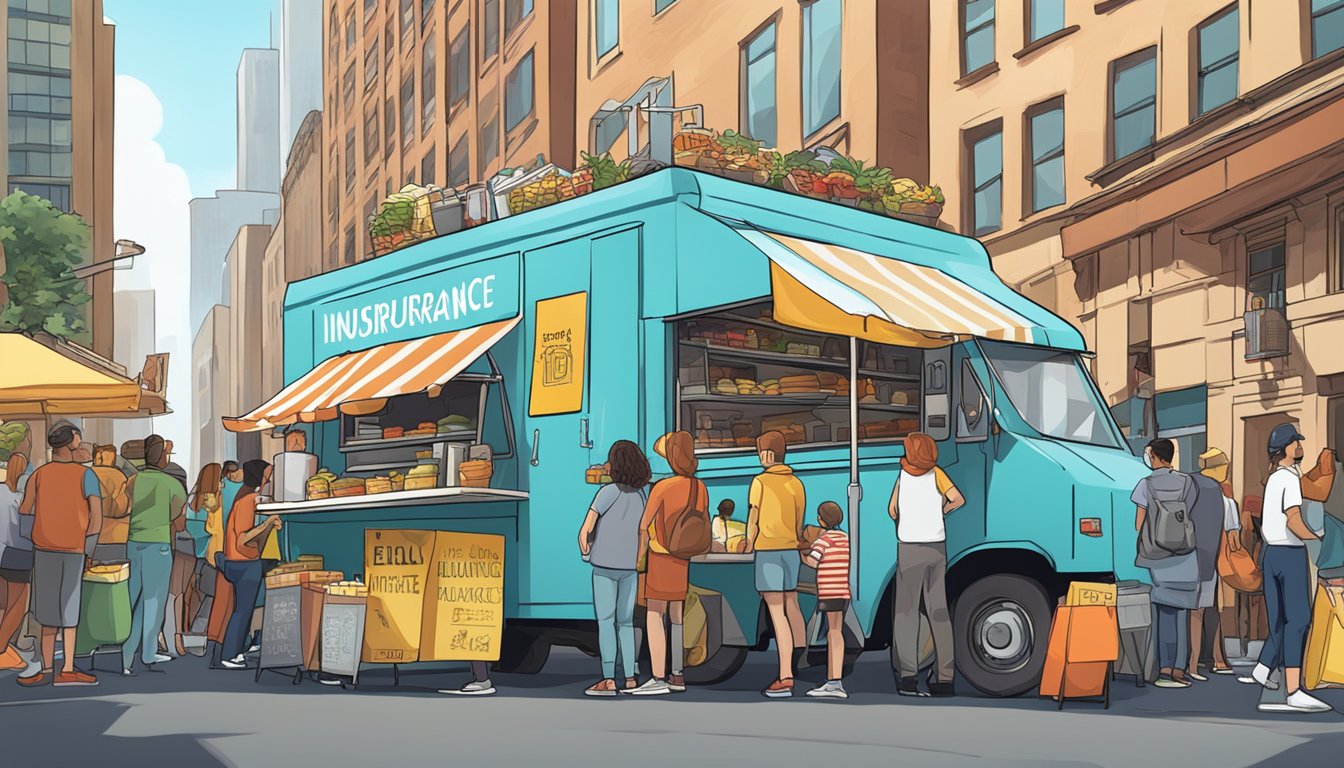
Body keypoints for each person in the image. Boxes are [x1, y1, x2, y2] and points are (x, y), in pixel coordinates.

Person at [1244, 424, 1331, 713]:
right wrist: (1316, 535)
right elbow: (1292, 519)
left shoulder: (1275, 479)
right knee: (1299, 620)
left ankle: (1262, 670)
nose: (1300, 446)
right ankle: (1294, 691)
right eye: (1296, 442)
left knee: (1280, 620)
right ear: (1287, 449)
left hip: (1271, 554)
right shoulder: (1290, 479)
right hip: (1290, 553)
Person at [17, 423, 101, 687]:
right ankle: (66, 668)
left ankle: (45, 668)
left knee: (46, 613)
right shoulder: (86, 476)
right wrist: (89, 549)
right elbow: (96, 518)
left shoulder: (39, 475)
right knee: (69, 612)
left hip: (43, 548)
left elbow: (25, 511)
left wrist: (35, 536)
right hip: (75, 549)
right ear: (72, 442)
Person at [629, 431, 707, 696]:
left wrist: (639, 558)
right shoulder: (699, 487)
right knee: (677, 618)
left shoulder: (662, 487)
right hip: (682, 558)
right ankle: (677, 675)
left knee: (654, 616)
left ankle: (658, 677)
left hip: (660, 556)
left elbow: (644, 525)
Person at [888, 432, 964, 697]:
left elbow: (892, 510)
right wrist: (940, 510)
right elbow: (959, 499)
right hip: (936, 547)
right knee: (939, 612)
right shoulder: (938, 474)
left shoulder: (903, 476)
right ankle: (945, 678)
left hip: (909, 547)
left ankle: (908, 677)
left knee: (906, 614)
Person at [577, 440, 649, 696]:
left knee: (606, 622)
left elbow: (585, 530)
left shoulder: (607, 493)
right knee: (626, 622)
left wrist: (586, 550)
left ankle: (608, 679)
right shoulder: (642, 494)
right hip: (630, 567)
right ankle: (630, 677)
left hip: (604, 566)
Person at [1132, 438, 1200, 688]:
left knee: (1163, 610)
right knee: (1182, 609)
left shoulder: (1145, 484)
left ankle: (1164, 667)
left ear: (1155, 457)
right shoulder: (1187, 482)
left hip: (1157, 554)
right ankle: (1179, 668)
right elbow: (1186, 513)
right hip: (1184, 552)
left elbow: (1139, 524)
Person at [744, 430, 807, 699]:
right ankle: (800, 658)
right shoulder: (796, 483)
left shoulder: (760, 482)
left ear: (768, 454)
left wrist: (748, 542)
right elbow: (798, 522)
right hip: (791, 550)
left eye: (760, 453)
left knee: (776, 611)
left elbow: (754, 517)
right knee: (792, 604)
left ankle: (785, 676)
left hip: (768, 550)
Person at [120, 434, 187, 674]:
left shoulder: (132, 481)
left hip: (133, 542)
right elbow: (177, 517)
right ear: (162, 457)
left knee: (132, 600)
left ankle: (126, 657)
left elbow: (124, 506)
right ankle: (148, 653)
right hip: (158, 544)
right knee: (153, 601)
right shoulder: (172, 484)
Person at [218, 460, 281, 669]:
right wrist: (267, 522)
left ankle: (237, 651)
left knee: (245, 609)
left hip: (242, 561)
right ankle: (230, 654)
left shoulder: (250, 499)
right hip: (243, 563)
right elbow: (242, 539)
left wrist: (269, 524)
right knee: (243, 611)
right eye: (268, 477)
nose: (271, 481)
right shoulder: (249, 501)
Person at [1185, 456, 1238, 682]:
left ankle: (1195, 662)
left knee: (1195, 612)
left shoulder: (1190, 491)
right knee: (1208, 610)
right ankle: (1207, 661)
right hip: (1212, 564)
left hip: (1189, 559)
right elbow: (1234, 538)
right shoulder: (1224, 499)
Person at [802, 500, 850, 699]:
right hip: (843, 591)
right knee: (836, 631)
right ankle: (835, 681)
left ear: (822, 519)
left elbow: (812, 562)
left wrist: (800, 552)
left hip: (829, 591)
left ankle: (834, 682)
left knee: (833, 633)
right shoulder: (845, 537)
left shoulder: (824, 540)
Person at [0, 450, 33, 672]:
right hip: (18, 553)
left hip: (2, 552)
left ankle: (5, 647)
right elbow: (26, 532)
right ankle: (2, 649)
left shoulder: (1, 492)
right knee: (17, 606)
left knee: (3, 605)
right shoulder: (20, 499)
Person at [90, 445, 130, 563]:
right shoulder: (119, 477)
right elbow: (122, 508)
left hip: (89, 537)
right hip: (117, 538)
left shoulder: (86, 474)